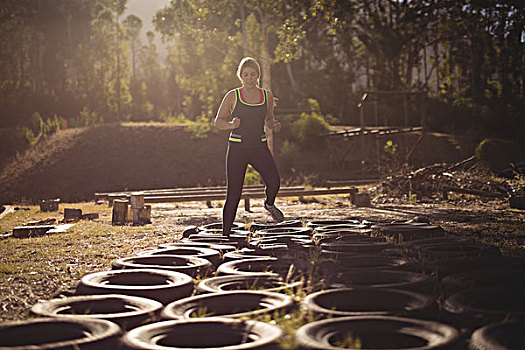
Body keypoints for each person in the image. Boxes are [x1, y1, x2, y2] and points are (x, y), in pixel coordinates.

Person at [214, 57, 284, 236]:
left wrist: (273, 125)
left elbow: (268, 120)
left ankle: (269, 204)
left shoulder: (266, 95)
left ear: (258, 75)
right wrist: (230, 125)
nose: (250, 78)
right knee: (234, 194)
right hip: (237, 148)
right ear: (240, 76)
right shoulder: (233, 95)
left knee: (274, 182)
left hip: (259, 147)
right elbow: (218, 121)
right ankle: (226, 235)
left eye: (253, 74)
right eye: (246, 74)